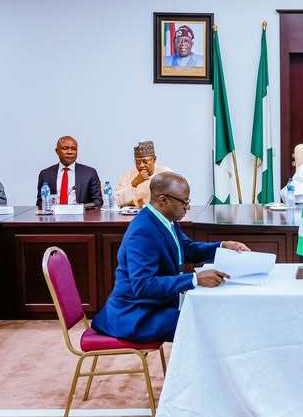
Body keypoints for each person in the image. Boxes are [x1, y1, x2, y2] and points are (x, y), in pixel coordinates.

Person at [91, 172, 250, 343]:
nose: (187, 207)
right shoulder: (143, 231)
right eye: (184, 202)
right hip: (137, 315)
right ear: (163, 200)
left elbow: (186, 249)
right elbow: (143, 285)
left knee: (214, 315)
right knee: (210, 325)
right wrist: (195, 279)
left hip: (156, 306)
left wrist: (222, 246)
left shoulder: (165, 220)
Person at [35, 136, 102, 208]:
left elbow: (98, 201)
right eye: (65, 148)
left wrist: (78, 208)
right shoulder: (45, 174)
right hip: (54, 214)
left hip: (81, 214)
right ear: (57, 151)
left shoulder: (90, 173)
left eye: (73, 149)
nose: (70, 152)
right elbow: (40, 201)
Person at [114, 140, 172, 207]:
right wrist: (134, 183)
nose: (141, 165)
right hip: (134, 212)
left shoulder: (166, 174)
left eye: (145, 161)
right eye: (138, 162)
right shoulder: (128, 175)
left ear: (154, 159)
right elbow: (117, 201)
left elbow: (174, 200)